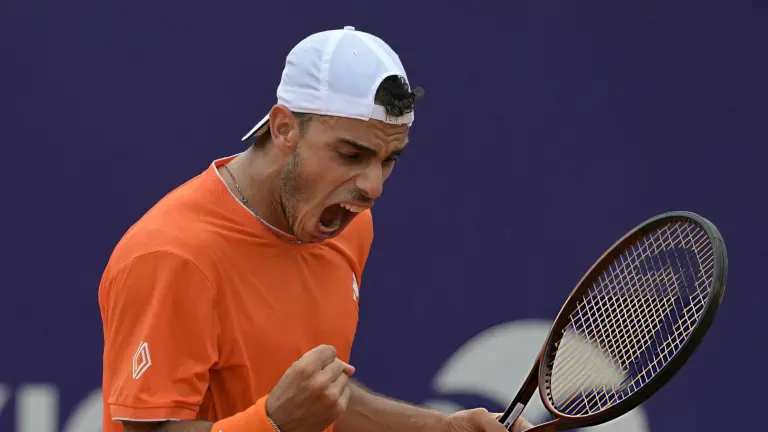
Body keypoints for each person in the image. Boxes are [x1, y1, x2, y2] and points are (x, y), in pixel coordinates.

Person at [98, 25, 533, 432]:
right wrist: (271, 423)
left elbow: (321, 403)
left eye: (389, 160)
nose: (373, 187)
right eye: (351, 155)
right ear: (284, 128)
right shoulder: (173, 256)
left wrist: (442, 428)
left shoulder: (347, 225)